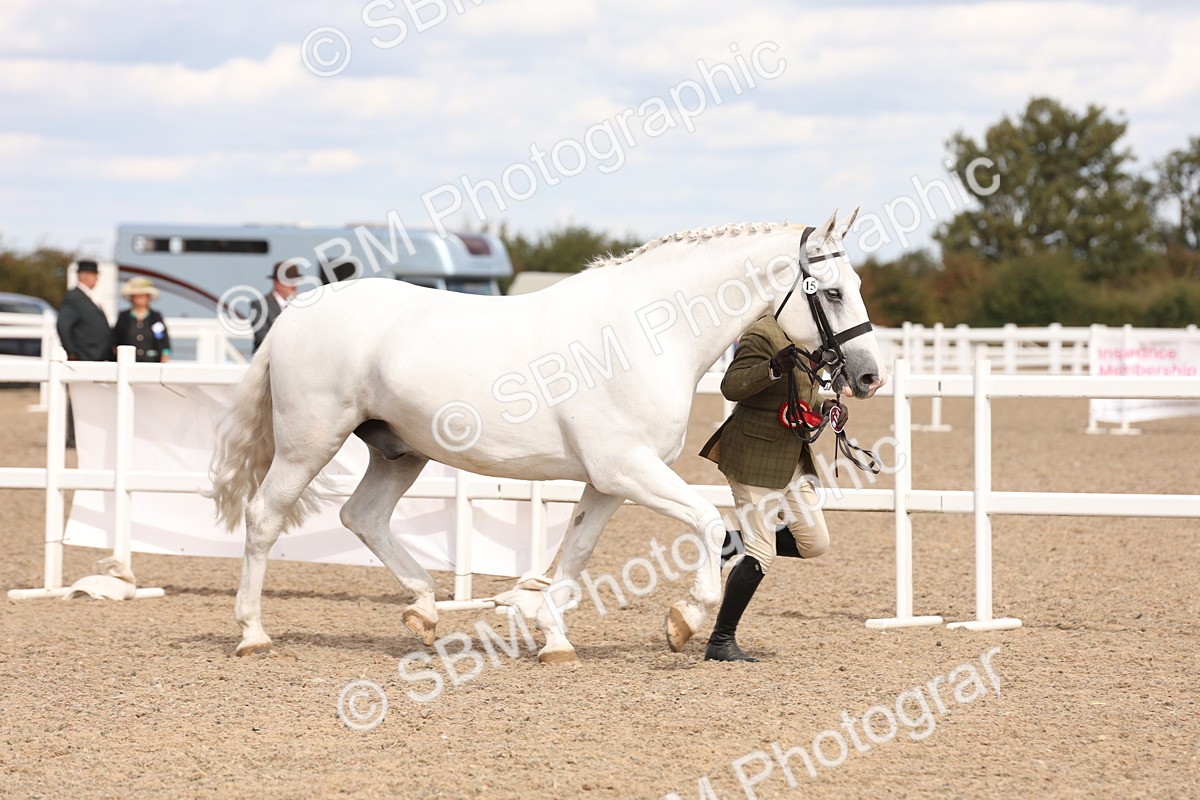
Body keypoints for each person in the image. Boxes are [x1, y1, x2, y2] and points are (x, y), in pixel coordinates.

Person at [699, 313, 848, 662]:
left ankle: (731, 542)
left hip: (791, 455)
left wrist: (825, 407)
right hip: (754, 454)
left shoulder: (812, 338)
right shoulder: (761, 334)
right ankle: (720, 641)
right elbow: (731, 386)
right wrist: (773, 369)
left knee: (814, 543)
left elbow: (804, 393)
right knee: (761, 554)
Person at [56, 260, 113, 362]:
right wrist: (71, 351)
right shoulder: (74, 297)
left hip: (96, 353)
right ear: (88, 275)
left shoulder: (86, 296)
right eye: (95, 275)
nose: (97, 279)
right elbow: (63, 325)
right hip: (85, 353)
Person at [113, 277, 171, 363]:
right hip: (128, 363)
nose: (140, 298)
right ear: (131, 298)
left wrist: (164, 358)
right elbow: (116, 340)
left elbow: (163, 340)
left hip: (152, 362)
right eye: (137, 295)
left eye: (144, 295)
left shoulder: (155, 317)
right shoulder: (124, 317)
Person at [251, 261, 300, 353]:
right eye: (290, 281)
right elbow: (262, 337)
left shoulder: (300, 306)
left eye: (295, 281)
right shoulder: (260, 305)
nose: (294, 285)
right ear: (277, 283)